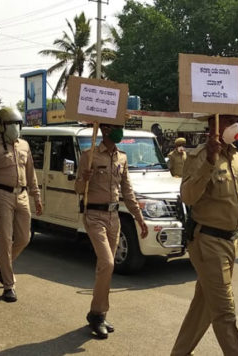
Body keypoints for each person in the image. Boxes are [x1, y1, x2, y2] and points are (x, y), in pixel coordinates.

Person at [171, 114, 238, 356]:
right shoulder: (198, 157)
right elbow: (188, 196)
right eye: (228, 120)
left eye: (235, 119)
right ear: (214, 126)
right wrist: (209, 162)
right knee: (224, 313)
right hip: (207, 243)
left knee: (205, 306)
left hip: (232, 243)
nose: (234, 125)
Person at [74, 123, 148, 339]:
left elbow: (127, 190)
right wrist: (84, 179)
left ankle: (99, 313)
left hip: (114, 217)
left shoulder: (122, 157)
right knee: (108, 262)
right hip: (94, 215)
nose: (120, 131)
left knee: (105, 268)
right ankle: (96, 315)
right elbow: (78, 189)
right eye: (116, 128)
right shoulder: (89, 156)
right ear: (104, 130)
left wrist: (139, 217)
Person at [0, 108, 42, 301]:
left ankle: (0, 262)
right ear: (2, 126)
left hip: (22, 195)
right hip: (1, 195)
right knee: (6, 240)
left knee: (24, 238)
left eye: (18, 124)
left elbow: (31, 173)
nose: (15, 128)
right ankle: (9, 285)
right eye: (11, 124)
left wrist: (37, 197)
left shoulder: (24, 145)